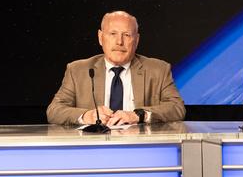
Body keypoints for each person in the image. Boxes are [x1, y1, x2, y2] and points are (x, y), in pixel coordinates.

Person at [46, 11, 186, 125]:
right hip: (93, 147)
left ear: (136, 40)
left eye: (126, 35)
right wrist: (86, 116)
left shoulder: (158, 70)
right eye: (113, 34)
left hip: (140, 146)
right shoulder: (77, 70)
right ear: (101, 37)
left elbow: (177, 108)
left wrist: (139, 115)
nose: (119, 42)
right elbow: (54, 111)